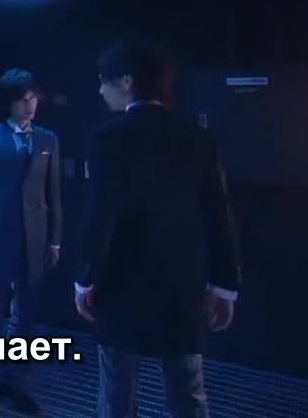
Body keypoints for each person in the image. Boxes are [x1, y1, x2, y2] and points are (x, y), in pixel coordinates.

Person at [76, 40, 242, 418]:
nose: (100, 90)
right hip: (181, 284)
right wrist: (225, 286)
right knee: (187, 390)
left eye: (104, 81)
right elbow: (218, 214)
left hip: (119, 285)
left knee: (117, 393)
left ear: (127, 82)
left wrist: (85, 279)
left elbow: (99, 218)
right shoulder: (198, 137)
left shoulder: (107, 139)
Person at [0, 68, 61, 415]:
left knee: (26, 315)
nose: (30, 105)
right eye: (23, 100)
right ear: (9, 103)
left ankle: (15, 381)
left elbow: (53, 194)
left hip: (34, 238)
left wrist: (55, 241)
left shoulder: (48, 139)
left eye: (33, 98)